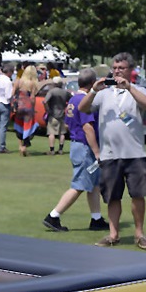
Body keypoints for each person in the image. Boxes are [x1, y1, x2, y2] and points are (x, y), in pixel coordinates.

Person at [78, 52, 146, 250]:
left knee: (138, 194)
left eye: (121, 68)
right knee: (112, 196)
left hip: (135, 153)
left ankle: (139, 234)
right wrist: (94, 91)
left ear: (130, 70)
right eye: (115, 68)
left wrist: (129, 88)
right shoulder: (104, 92)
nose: (117, 71)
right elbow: (82, 108)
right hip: (109, 154)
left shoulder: (138, 90)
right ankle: (113, 234)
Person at [42, 68, 107, 232]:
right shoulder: (83, 101)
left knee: (93, 184)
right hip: (84, 146)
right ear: (93, 83)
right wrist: (97, 152)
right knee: (79, 184)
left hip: (78, 144)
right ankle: (53, 216)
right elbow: (88, 128)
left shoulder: (73, 99)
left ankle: (96, 218)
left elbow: (68, 123)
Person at [12, 65, 39, 156]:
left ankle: (20, 146)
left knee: (19, 126)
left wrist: (13, 105)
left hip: (19, 106)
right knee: (28, 126)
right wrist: (33, 108)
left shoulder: (18, 81)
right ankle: (24, 146)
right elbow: (32, 98)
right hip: (28, 107)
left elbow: (12, 94)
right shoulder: (32, 83)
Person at [44, 77, 71, 155]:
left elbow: (45, 101)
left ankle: (52, 150)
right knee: (62, 133)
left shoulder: (51, 92)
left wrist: (47, 110)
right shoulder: (65, 92)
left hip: (53, 114)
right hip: (62, 114)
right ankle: (60, 149)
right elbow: (71, 100)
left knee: (51, 132)